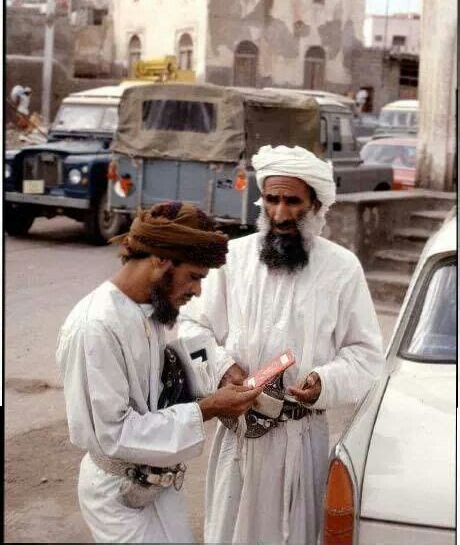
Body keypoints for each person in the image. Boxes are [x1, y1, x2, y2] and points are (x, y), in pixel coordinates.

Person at [178, 145, 384, 545]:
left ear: (317, 205)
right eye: (272, 199)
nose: (280, 213)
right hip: (238, 439)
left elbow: (365, 355)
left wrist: (323, 382)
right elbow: (189, 328)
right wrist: (220, 367)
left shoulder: (342, 269)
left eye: (293, 201)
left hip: (301, 440)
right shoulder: (233, 259)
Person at [56, 202, 262, 543]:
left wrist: (220, 375)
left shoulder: (149, 311)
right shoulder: (96, 326)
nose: (197, 291)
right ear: (161, 260)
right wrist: (209, 409)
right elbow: (116, 435)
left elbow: (160, 385)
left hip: (156, 486)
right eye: (194, 276)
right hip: (118, 497)